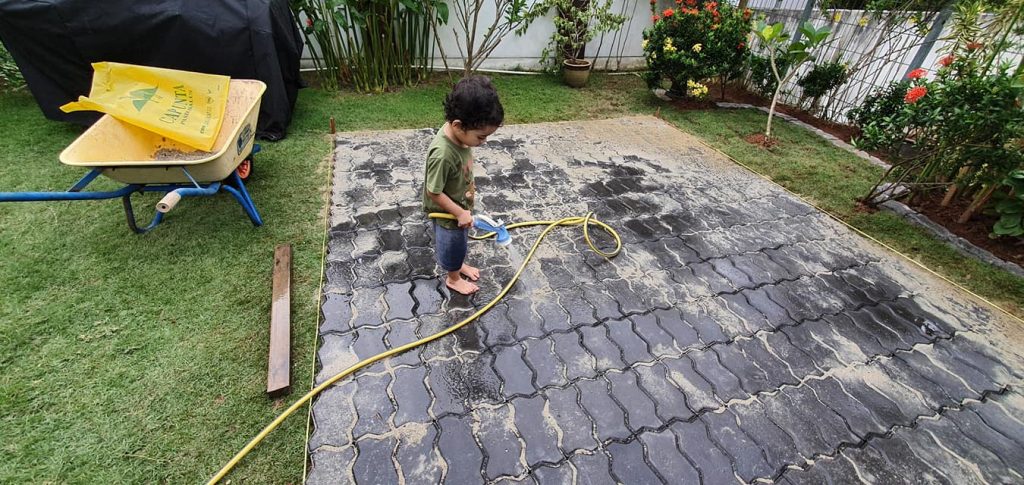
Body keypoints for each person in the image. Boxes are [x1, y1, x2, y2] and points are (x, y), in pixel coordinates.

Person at [422, 76, 504, 295]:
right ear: (458, 125)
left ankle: (458, 266)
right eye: (481, 136)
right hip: (448, 213)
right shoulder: (443, 154)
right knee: (452, 245)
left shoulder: (458, 134)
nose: (483, 141)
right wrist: (459, 212)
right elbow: (433, 191)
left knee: (461, 242)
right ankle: (453, 278)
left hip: (460, 208)